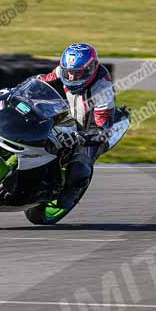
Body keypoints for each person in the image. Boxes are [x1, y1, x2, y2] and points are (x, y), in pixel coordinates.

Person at [39, 43, 115, 207]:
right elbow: (42, 83)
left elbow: (103, 126)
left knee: (80, 162)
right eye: (70, 72)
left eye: (78, 73)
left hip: (93, 129)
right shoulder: (63, 70)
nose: (72, 77)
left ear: (90, 69)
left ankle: (72, 191)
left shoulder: (103, 89)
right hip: (71, 117)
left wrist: (88, 136)